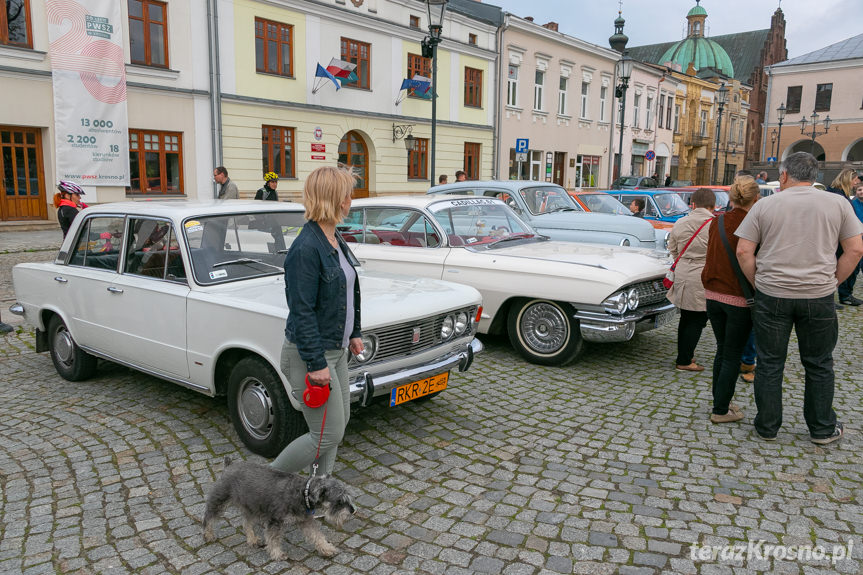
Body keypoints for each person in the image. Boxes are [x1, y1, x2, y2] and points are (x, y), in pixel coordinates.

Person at [736, 152, 863, 444]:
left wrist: (759, 282)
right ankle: (821, 428)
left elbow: (744, 251)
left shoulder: (765, 205)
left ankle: (767, 426)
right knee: (819, 363)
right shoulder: (838, 203)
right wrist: (834, 281)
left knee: (769, 363)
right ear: (815, 175)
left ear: (783, 176)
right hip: (818, 295)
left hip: (773, 294)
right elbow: (855, 249)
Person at [270, 166, 364, 477]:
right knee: (327, 433)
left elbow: (350, 289)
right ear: (334, 199)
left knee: (336, 426)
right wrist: (315, 363)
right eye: (346, 194)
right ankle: (264, 484)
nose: (350, 200)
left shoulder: (334, 238)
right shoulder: (306, 248)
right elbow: (302, 311)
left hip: (335, 351)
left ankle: (318, 492)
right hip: (311, 355)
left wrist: (355, 332)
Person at [701, 176, 760, 423]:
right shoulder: (754, 224)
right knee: (732, 354)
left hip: (713, 295)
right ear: (756, 198)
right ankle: (721, 410)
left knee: (723, 351)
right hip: (738, 297)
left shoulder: (718, 221)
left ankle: (720, 401)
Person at [666, 188, 716, 371]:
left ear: (693, 204)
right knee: (697, 319)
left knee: (686, 318)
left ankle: (685, 355)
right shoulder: (714, 224)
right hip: (702, 274)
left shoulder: (680, 222)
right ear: (713, 206)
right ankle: (684, 360)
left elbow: (672, 249)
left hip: (683, 272)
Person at [828, 169, 861, 305]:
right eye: (855, 181)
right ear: (848, 180)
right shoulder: (837, 195)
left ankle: (842, 295)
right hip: (836, 238)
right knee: (834, 267)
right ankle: (831, 296)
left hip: (839, 237)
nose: (856, 184)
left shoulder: (837, 194)